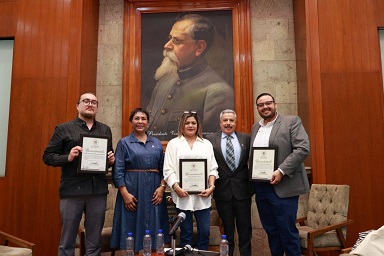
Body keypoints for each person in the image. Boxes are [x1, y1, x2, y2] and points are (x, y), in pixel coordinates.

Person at [43, 92, 115, 256]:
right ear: (78, 105)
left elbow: (109, 155)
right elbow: (47, 157)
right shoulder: (63, 128)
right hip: (72, 191)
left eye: (94, 102)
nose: (90, 104)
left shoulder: (105, 129)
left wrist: (112, 159)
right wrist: (68, 157)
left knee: (94, 241)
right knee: (68, 240)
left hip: (97, 192)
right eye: (86, 101)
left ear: (97, 107)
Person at [146, 13, 234, 141]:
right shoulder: (164, 82)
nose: (167, 45)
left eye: (176, 40)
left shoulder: (218, 92)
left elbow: (208, 142)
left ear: (199, 47)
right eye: (170, 38)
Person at [250, 93, 310, 256]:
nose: (265, 107)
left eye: (268, 103)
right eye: (261, 105)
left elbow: (303, 149)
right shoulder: (255, 127)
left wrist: (281, 170)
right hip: (262, 188)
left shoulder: (291, 122)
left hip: (284, 187)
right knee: (272, 232)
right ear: (257, 108)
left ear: (275, 104)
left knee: (287, 232)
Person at [110, 107, 170, 252]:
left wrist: (162, 188)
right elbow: (118, 170)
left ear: (148, 122)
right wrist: (125, 194)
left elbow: (164, 168)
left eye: (143, 119)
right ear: (131, 122)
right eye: (136, 118)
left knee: (155, 227)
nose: (140, 122)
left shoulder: (156, 142)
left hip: (154, 192)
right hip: (132, 190)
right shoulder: (124, 143)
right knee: (131, 226)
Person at [163, 111, 219, 250]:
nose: (190, 125)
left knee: (205, 233)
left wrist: (211, 186)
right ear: (182, 125)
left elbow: (213, 168)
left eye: (193, 123)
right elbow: (168, 169)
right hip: (182, 196)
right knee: (186, 234)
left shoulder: (206, 144)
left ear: (198, 125)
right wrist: (176, 188)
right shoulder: (173, 144)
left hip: (203, 197)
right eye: (187, 123)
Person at [206, 109, 253, 256]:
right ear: (220, 123)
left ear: (235, 122)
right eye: (225, 120)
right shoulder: (209, 140)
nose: (228, 123)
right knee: (227, 233)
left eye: (231, 120)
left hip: (243, 192)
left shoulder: (246, 139)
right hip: (222, 193)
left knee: (245, 232)